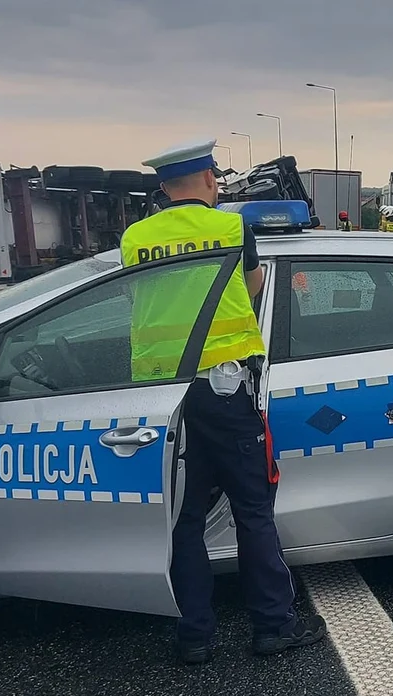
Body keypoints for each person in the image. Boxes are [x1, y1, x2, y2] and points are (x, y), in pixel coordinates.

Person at [123, 138, 327, 664]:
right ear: (211, 180)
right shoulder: (232, 227)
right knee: (252, 510)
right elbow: (255, 288)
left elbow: (135, 300)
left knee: (183, 517)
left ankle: (195, 636)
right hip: (226, 388)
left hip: (163, 399)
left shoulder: (135, 238)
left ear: (164, 188)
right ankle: (273, 626)